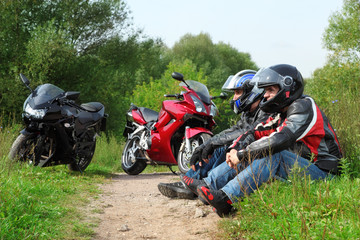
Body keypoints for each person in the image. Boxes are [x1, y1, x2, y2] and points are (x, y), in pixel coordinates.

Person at [180, 64, 342, 217]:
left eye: (270, 89)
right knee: (256, 149)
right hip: (302, 166)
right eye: (265, 90)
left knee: (273, 154)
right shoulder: (280, 113)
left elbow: (282, 139)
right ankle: (209, 186)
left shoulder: (303, 107)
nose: (265, 95)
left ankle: (225, 199)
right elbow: (253, 133)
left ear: (287, 86)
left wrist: (243, 154)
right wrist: (235, 149)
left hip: (324, 173)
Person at [158, 70, 270, 199]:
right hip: (249, 151)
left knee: (224, 146)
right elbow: (234, 129)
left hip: (258, 154)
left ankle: (206, 185)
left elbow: (249, 132)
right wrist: (208, 143)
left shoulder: (265, 110)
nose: (234, 98)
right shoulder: (248, 112)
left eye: (238, 92)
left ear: (253, 91)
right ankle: (188, 183)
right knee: (218, 146)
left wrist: (214, 143)